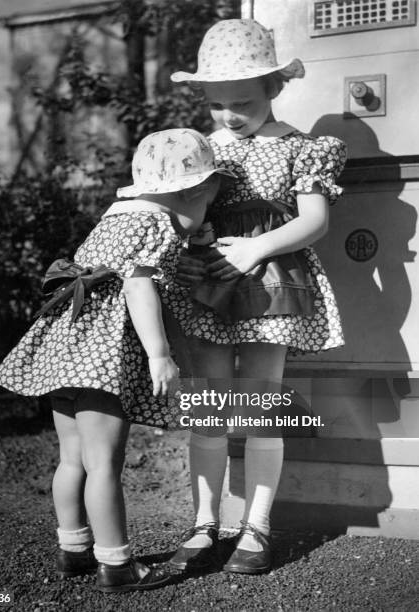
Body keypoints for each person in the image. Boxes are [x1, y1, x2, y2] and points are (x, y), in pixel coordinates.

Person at [0, 128, 233, 592]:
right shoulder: (157, 225)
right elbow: (138, 286)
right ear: (188, 192)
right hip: (101, 357)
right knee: (105, 463)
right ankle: (117, 564)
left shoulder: (117, 215)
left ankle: (73, 549)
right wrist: (159, 355)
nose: (205, 216)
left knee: (72, 459)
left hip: (64, 347)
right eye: (206, 204)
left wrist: (193, 232)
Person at [167, 19, 347, 575]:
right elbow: (180, 213)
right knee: (211, 404)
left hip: (273, 283)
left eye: (242, 101)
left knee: (263, 401)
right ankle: (204, 526)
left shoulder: (300, 146)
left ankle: (257, 527)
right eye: (217, 104)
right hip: (210, 279)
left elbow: (314, 220)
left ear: (274, 87)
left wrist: (257, 248)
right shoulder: (201, 149)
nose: (229, 115)